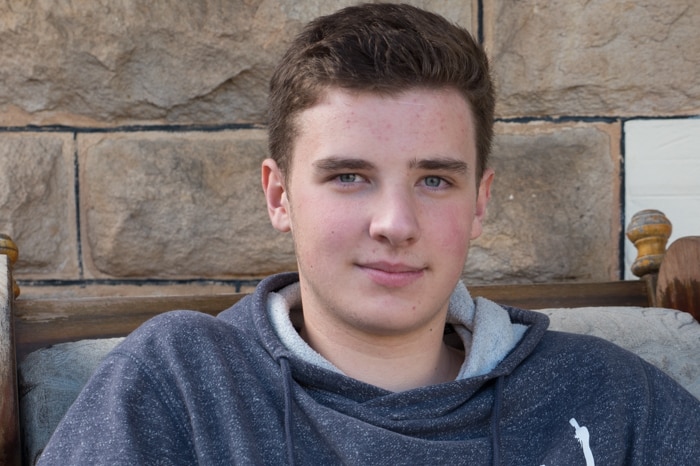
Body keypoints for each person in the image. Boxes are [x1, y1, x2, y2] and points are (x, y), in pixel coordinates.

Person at [39, 3, 699, 465]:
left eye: (435, 180)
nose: (396, 224)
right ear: (279, 196)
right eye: (350, 176)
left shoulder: (613, 400)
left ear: (480, 201)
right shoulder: (178, 384)